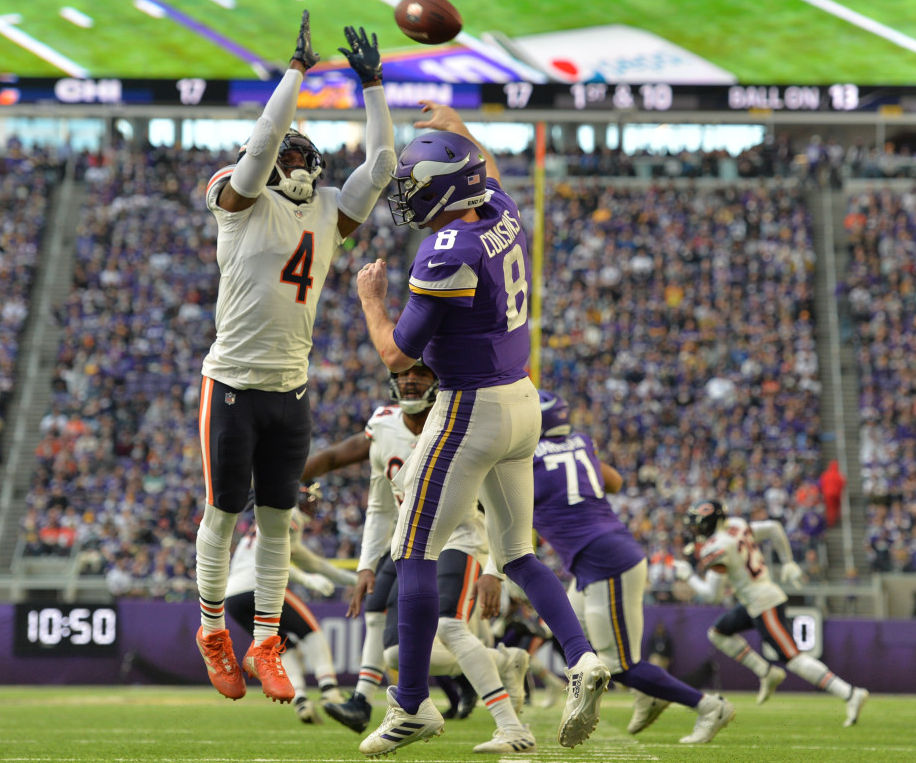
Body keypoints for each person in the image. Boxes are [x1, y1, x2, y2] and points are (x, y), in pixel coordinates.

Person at [354, 102, 610, 756]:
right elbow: (487, 168)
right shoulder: (499, 213)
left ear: (440, 188)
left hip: (470, 409)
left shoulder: (445, 252)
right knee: (518, 553)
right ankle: (582, 658)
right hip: (523, 398)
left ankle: (409, 705)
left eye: (415, 185)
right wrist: (457, 126)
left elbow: (398, 355)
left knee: (412, 552)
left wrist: (370, 301)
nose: (407, 196)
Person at [193, 11, 394, 705]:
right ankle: (214, 629)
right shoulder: (241, 203)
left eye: (310, 158)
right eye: (294, 154)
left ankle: (267, 641)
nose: (302, 164)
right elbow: (257, 151)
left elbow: (385, 165)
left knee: (276, 520)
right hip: (232, 383)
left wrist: (373, 86)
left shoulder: (331, 212)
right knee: (223, 515)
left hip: (291, 388)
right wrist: (296, 73)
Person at [300, 362, 535, 754]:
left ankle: (512, 728)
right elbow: (379, 506)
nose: (409, 379)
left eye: (420, 374)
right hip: (412, 542)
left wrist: (495, 568)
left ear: (436, 380)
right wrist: (365, 566)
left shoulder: (464, 417)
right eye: (403, 374)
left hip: (461, 535)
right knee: (395, 652)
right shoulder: (383, 425)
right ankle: (500, 659)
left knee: (451, 628)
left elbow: (502, 499)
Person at [531, 392, 735, 744]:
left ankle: (708, 705)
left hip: (604, 562)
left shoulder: (526, 458)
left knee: (618, 665)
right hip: (596, 557)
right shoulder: (579, 442)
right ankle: (649, 692)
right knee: (572, 638)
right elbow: (614, 482)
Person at [677, 500, 869, 727]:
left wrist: (688, 576)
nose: (695, 530)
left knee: (794, 659)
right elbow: (773, 529)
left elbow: (712, 595)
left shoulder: (716, 547)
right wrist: (787, 561)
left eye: (698, 525)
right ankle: (766, 672)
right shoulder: (737, 524)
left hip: (763, 603)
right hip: (753, 600)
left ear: (709, 523)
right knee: (718, 633)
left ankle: (850, 693)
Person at [224, 485, 357, 722]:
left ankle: (302, 701)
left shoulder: (275, 522)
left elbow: (315, 563)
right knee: (312, 632)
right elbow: (270, 555)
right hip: (258, 585)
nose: (312, 505)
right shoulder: (291, 516)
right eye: (309, 500)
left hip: (233, 596)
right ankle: (330, 691)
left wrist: (355, 580)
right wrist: (306, 579)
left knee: (283, 645)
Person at [820, 460, 846, 528]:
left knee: (830, 508)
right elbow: (843, 483)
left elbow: (822, 484)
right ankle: (836, 519)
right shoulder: (839, 475)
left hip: (828, 494)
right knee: (836, 507)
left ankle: (831, 522)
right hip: (837, 494)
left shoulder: (826, 474)